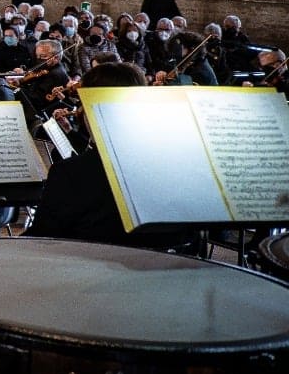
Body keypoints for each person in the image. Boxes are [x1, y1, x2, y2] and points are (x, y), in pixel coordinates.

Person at [27, 62, 198, 251]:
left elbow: (43, 239)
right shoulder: (175, 165)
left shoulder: (70, 173)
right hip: (166, 270)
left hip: (89, 270)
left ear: (92, 109)